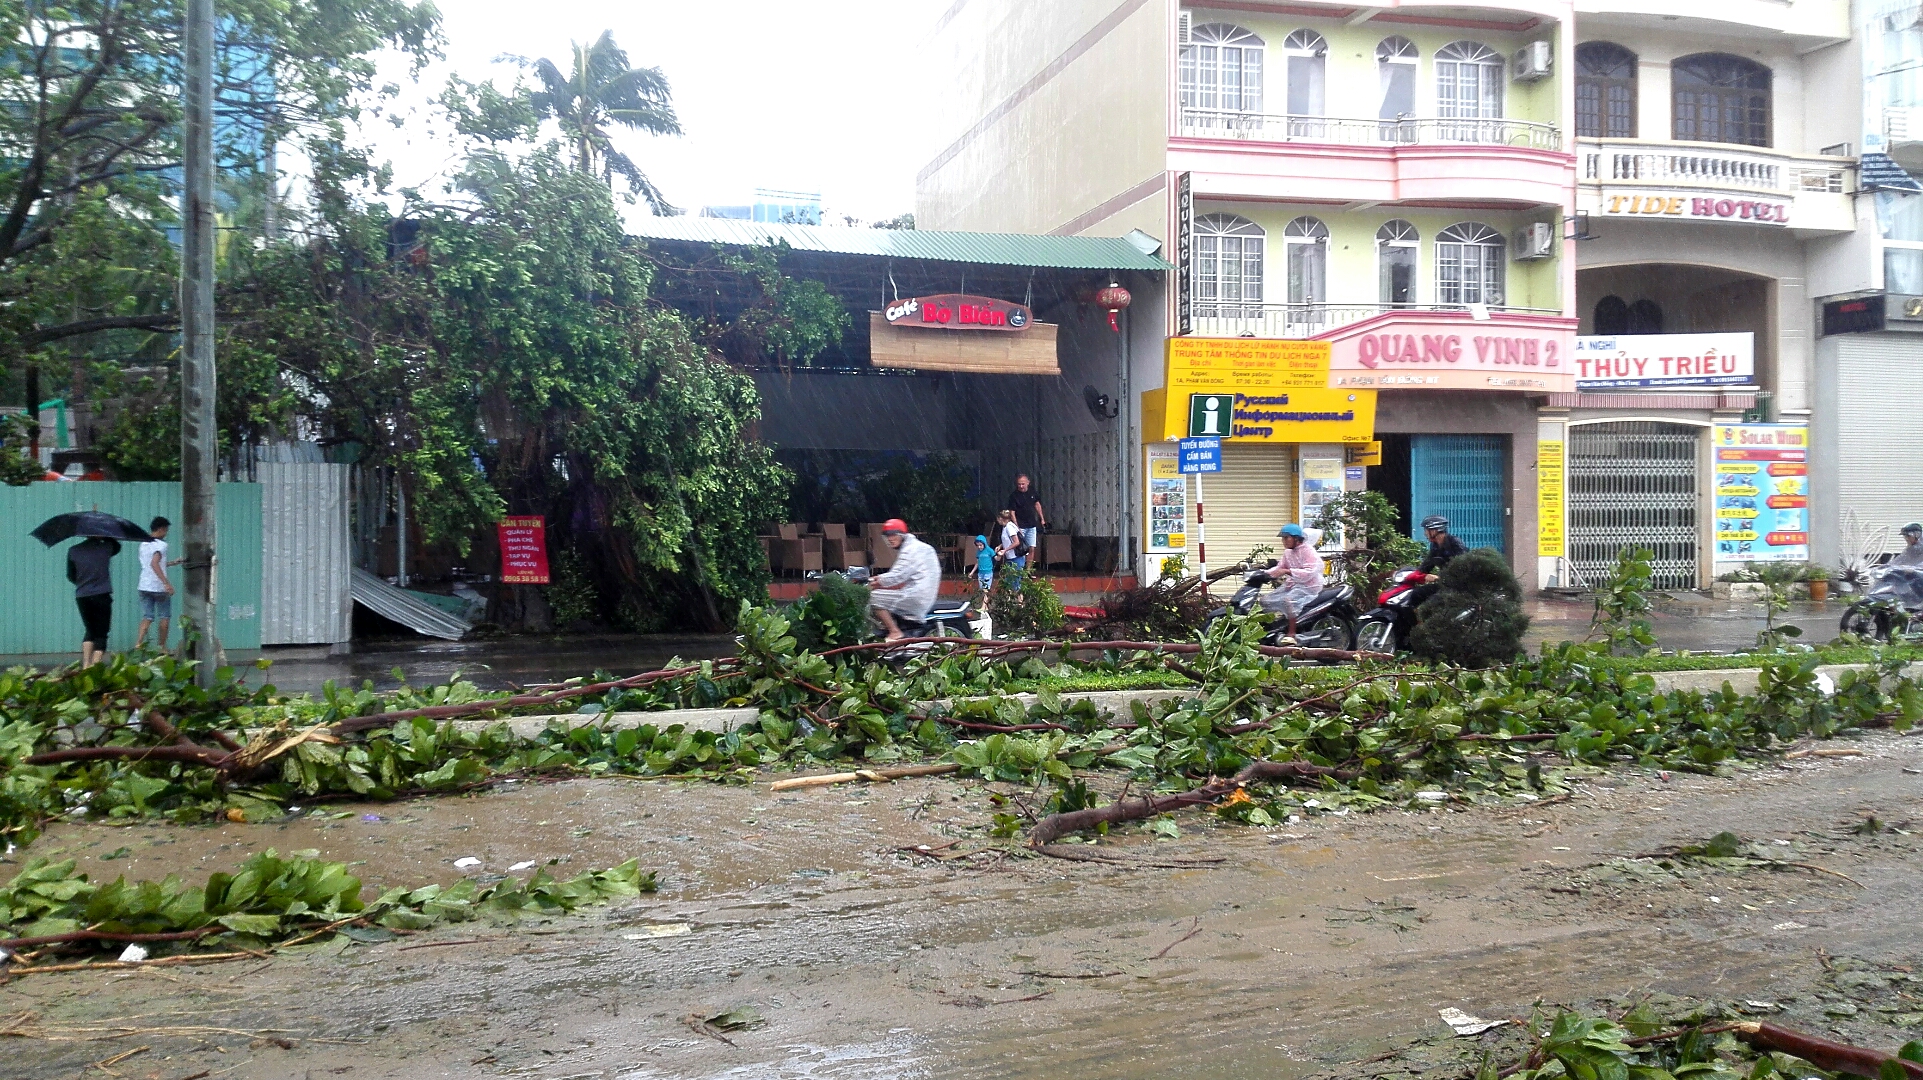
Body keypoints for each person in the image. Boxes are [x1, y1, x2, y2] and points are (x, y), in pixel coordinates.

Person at [869, 518, 942, 641]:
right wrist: (880, 579)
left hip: (916, 595)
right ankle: (891, 628)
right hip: (923, 593)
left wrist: (877, 581)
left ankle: (895, 631)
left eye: (893, 535)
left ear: (901, 535)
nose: (890, 539)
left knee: (873, 597)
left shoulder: (910, 550)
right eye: (887, 536)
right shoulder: (917, 546)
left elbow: (898, 575)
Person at [1262, 523, 1324, 640]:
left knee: (1288, 600)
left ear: (1296, 538)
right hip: (1294, 584)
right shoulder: (1288, 553)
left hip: (1309, 586)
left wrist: (1287, 571)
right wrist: (1263, 573)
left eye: (1286, 538)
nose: (1283, 541)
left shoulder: (1308, 551)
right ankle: (1276, 626)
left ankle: (1291, 633)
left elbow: (1310, 572)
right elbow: (1279, 568)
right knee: (1266, 600)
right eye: (1282, 538)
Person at [67, 536, 121, 667]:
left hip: (82, 595)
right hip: (101, 594)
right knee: (101, 633)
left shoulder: (73, 550)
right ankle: (95, 667)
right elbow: (117, 547)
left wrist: (82, 583)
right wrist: (107, 536)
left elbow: (70, 575)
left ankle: (86, 664)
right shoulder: (106, 548)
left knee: (90, 630)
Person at [135, 516, 179, 649]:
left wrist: (172, 563)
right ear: (160, 529)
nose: (166, 533)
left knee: (147, 616)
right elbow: (154, 563)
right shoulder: (161, 545)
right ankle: (162, 647)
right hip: (158, 587)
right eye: (165, 530)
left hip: (144, 585)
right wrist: (166, 583)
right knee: (164, 616)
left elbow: (153, 564)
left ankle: (138, 643)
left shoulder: (143, 543)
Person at [1411, 515, 1467, 607]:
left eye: (1426, 530)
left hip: (1458, 586)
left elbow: (1463, 565)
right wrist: (1413, 575)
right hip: (1445, 584)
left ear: (1434, 530)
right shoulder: (1435, 546)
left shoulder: (1454, 543)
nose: (1425, 534)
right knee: (1416, 594)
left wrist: (1442, 577)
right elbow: (1427, 565)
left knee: (1432, 603)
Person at [1006, 474, 1047, 557]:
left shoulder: (1032, 492)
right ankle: (1020, 568)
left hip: (1031, 525)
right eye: (1019, 484)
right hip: (1020, 525)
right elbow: (1012, 512)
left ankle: (1028, 570)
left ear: (1028, 483)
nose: (1021, 486)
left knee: (1031, 548)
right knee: (1020, 548)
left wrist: (1042, 518)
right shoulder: (1014, 496)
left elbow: (1037, 504)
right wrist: (1016, 527)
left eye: (1023, 484)